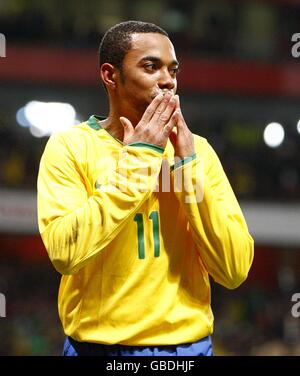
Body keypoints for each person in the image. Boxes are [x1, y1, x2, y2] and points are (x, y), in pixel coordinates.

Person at [37, 20, 254, 356]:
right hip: (99, 349)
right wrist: (142, 158)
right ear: (110, 76)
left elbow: (234, 269)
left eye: (173, 69)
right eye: (151, 67)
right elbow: (65, 253)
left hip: (186, 350)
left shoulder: (197, 152)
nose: (167, 80)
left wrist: (187, 168)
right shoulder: (70, 147)